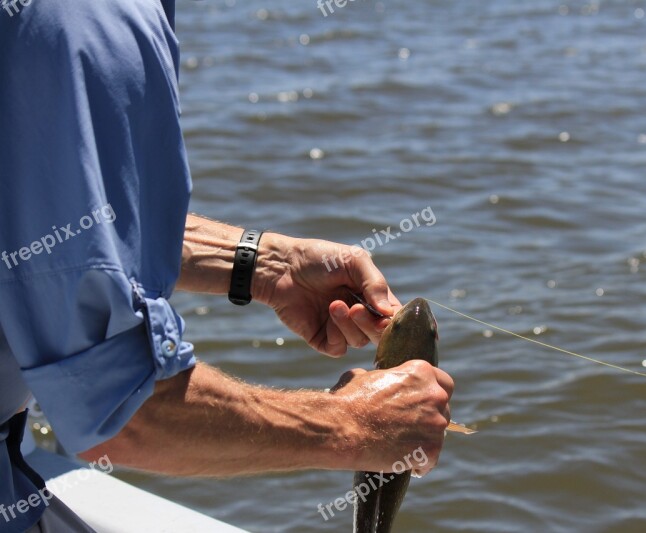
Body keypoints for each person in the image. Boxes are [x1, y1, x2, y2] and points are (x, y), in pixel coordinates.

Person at [0, 0, 454, 530]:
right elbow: (123, 414)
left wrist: (266, 265)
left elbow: (52, 221)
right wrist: (356, 424)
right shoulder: (88, 21)